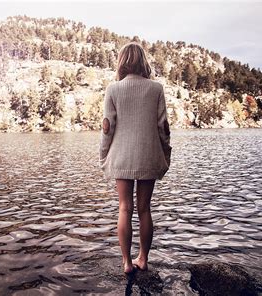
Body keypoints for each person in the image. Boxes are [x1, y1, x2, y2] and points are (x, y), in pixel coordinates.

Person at [99, 42, 172, 275]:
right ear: (143, 61)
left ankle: (126, 263)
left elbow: (107, 128)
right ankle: (143, 259)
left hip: (122, 157)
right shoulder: (156, 89)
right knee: (144, 209)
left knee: (124, 208)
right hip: (148, 156)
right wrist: (165, 153)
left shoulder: (113, 89)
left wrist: (104, 155)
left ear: (122, 61)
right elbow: (164, 128)